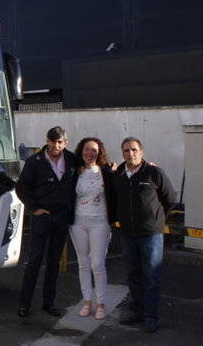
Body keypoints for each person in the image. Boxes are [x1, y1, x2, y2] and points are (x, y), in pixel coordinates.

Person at [113, 137, 176, 333]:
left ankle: (151, 316)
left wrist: (156, 219)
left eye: (134, 150)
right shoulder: (119, 176)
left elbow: (171, 199)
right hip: (127, 234)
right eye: (126, 151)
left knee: (151, 277)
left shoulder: (154, 172)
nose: (130, 154)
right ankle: (137, 311)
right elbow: (114, 200)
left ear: (142, 152)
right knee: (133, 276)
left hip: (150, 235)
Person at [16, 126, 77, 317]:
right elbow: (22, 187)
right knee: (34, 261)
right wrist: (34, 208)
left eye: (60, 142)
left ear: (65, 142)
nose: (56, 145)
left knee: (54, 262)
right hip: (42, 217)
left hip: (61, 217)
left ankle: (48, 303)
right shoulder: (35, 161)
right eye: (52, 141)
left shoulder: (71, 159)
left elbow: (92, 166)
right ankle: (24, 304)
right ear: (47, 141)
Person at [69, 137, 115, 320]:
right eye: (86, 149)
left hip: (100, 223)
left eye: (93, 150)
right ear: (81, 152)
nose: (89, 153)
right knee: (83, 263)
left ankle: (101, 304)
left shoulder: (107, 172)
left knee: (97, 264)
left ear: (100, 152)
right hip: (78, 223)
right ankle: (87, 302)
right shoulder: (75, 172)